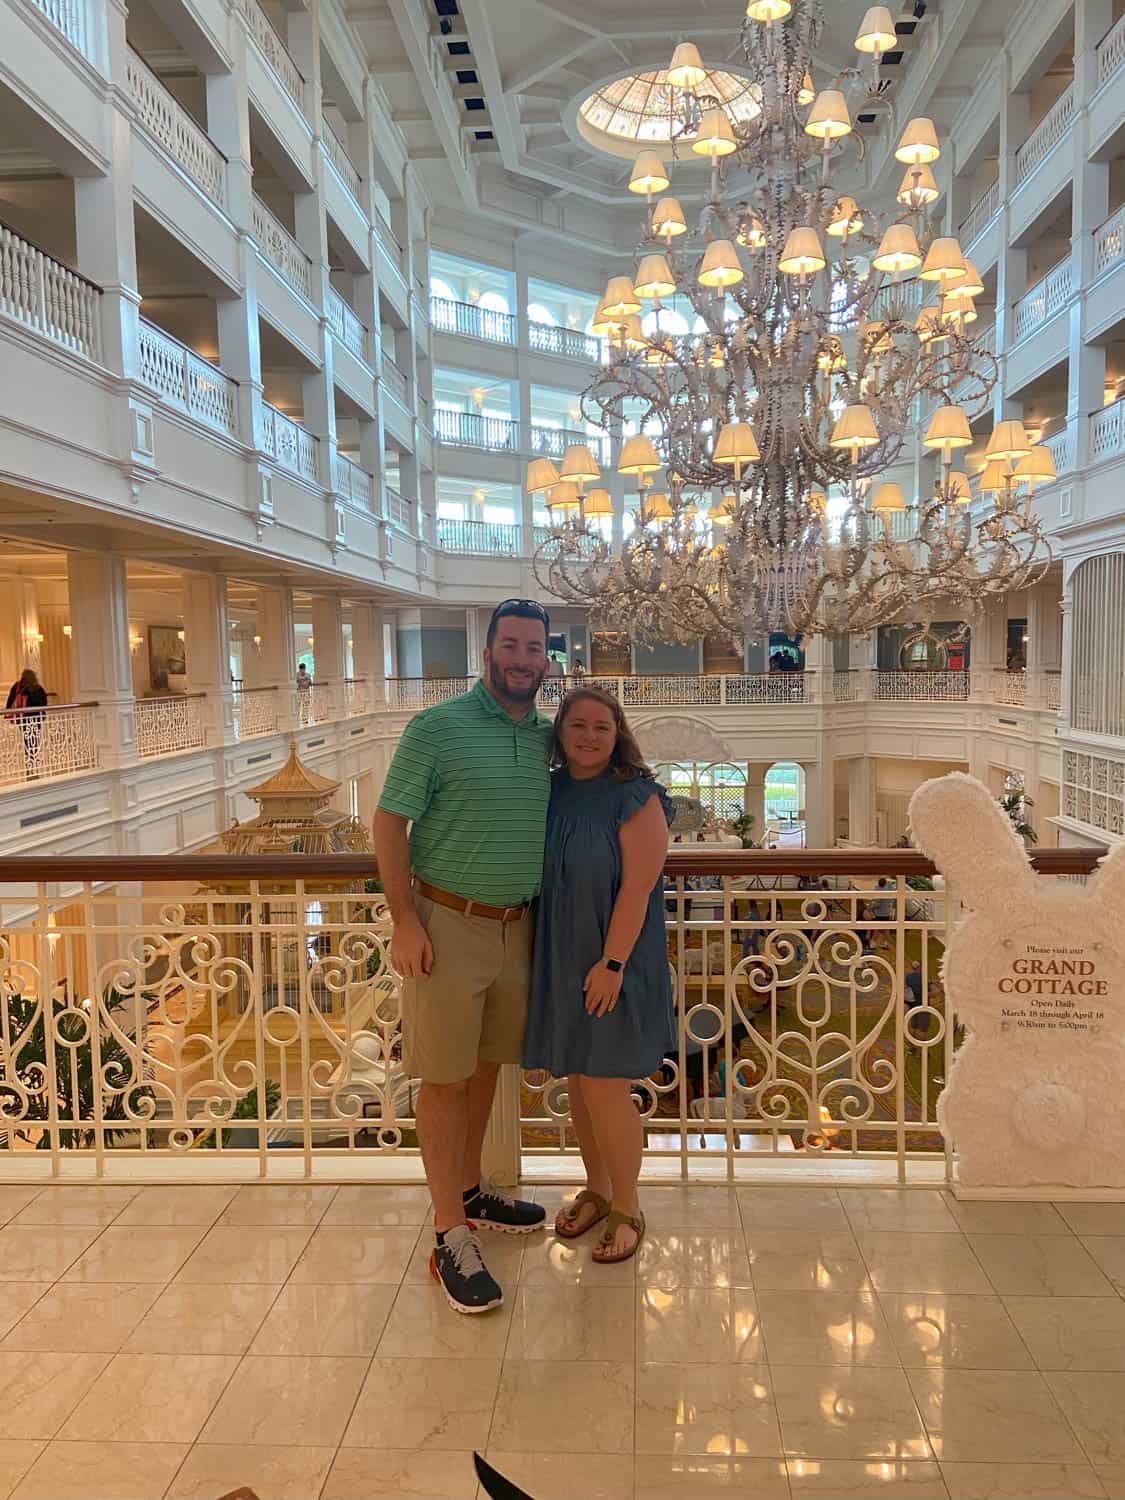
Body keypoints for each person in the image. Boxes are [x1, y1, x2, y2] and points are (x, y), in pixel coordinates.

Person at [372, 598, 552, 1315]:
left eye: (533, 648)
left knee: (483, 1066)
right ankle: (449, 1234)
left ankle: (471, 1192)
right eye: (509, 645)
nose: (520, 659)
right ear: (487, 653)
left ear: (547, 659)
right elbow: (389, 822)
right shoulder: (436, 728)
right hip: (446, 923)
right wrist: (403, 920)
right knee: (442, 1078)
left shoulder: (548, 738)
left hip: (518, 926)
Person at [523, 686, 675, 1263]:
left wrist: (611, 964)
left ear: (618, 735)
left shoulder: (636, 797)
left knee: (608, 1087)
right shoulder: (550, 791)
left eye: (601, 728)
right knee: (582, 1087)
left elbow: (638, 890)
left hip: (615, 959)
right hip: (562, 957)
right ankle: (598, 1187)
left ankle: (629, 1205)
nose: (588, 736)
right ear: (560, 731)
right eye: (577, 725)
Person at [5, 667, 48, 775]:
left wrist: (8, 711)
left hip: (23, 718)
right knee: (34, 738)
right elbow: (44, 703)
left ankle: (30, 760)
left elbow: (11, 699)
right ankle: (33, 758)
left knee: (27, 738)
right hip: (36, 718)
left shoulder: (18, 686)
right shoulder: (38, 688)